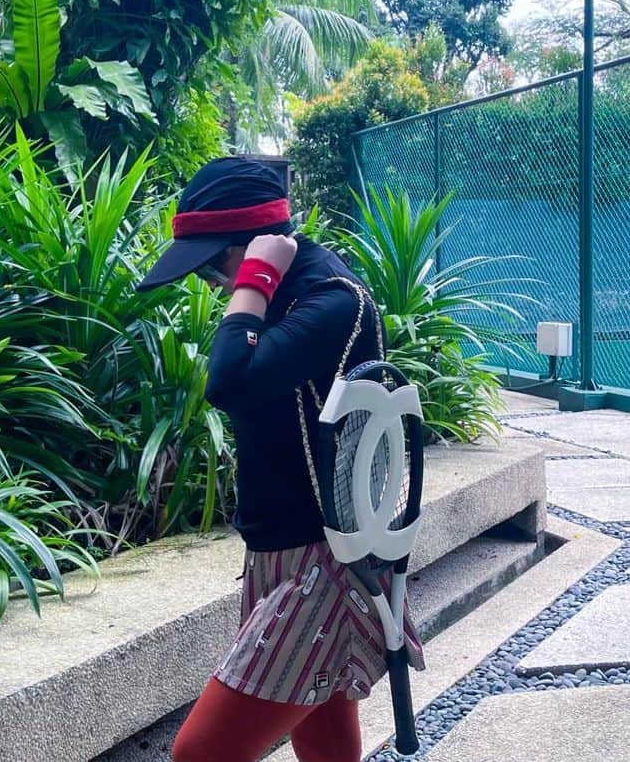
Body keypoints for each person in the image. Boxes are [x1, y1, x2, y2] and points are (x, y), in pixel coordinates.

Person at [137, 157, 424, 762]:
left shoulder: (331, 300)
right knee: (325, 747)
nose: (214, 282)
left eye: (217, 263)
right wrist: (256, 281)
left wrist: (255, 280)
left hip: (324, 565)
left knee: (201, 755)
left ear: (258, 246)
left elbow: (229, 383)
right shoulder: (284, 297)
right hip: (279, 557)